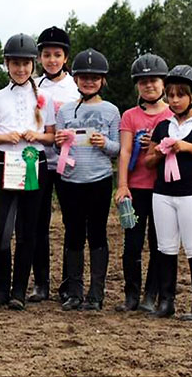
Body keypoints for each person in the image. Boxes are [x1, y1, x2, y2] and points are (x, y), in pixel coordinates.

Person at [0, 33, 55, 311]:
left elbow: (52, 137)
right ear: (7, 64)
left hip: (34, 164)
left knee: (28, 231)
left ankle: (18, 292)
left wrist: (35, 136)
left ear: (33, 64)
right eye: (15, 64)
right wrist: (5, 137)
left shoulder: (44, 98)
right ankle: (1, 288)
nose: (21, 69)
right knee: (1, 230)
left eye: (25, 64)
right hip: (5, 163)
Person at [54, 49, 121, 311]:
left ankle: (96, 292)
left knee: (97, 233)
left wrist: (105, 143)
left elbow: (117, 149)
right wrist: (59, 142)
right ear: (76, 79)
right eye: (84, 77)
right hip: (70, 181)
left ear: (102, 80)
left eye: (94, 78)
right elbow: (59, 150)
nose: (89, 82)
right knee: (72, 234)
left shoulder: (111, 111)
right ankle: (74, 291)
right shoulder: (65, 111)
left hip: (99, 180)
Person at [145, 65, 192, 321]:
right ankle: (166, 302)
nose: (173, 100)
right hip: (163, 194)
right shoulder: (163, 126)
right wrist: (159, 153)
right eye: (170, 95)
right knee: (165, 248)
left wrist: (187, 148)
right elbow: (148, 162)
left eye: (179, 95)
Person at [114, 54, 172, 312]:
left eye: (154, 81)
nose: (149, 85)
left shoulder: (172, 114)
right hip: (136, 188)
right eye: (143, 81)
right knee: (132, 243)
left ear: (163, 84)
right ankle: (131, 294)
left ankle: (152, 294)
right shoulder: (130, 116)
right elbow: (125, 151)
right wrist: (122, 184)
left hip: (163, 189)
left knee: (159, 243)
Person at [30, 26, 77, 303]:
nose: (51, 60)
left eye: (57, 54)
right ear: (39, 57)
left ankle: (70, 282)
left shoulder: (74, 88)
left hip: (68, 163)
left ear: (65, 58)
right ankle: (41, 282)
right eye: (46, 54)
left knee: (71, 223)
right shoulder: (33, 86)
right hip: (38, 161)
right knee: (38, 223)